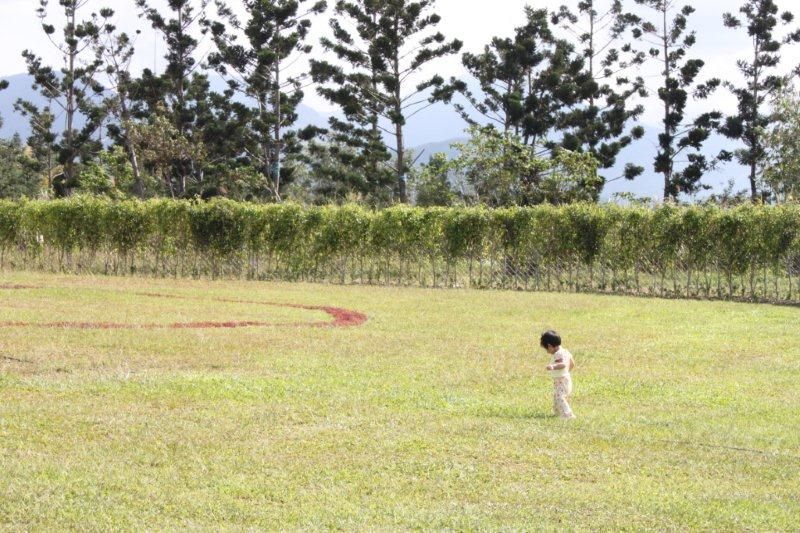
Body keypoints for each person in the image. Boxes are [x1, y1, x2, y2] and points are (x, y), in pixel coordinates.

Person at [540, 330, 576, 420]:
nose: (547, 352)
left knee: (559, 397)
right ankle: (558, 412)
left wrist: (553, 366)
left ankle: (568, 415)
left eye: (546, 349)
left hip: (562, 380)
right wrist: (567, 371)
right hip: (564, 379)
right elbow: (572, 363)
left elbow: (563, 364)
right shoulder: (565, 351)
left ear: (549, 346)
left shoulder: (558, 354)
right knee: (557, 396)